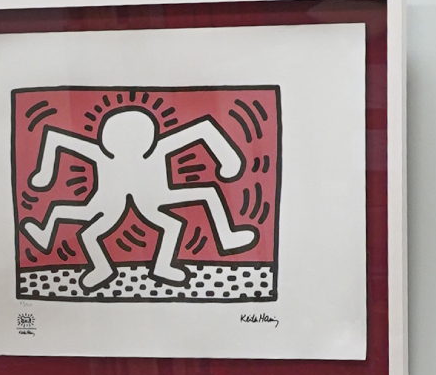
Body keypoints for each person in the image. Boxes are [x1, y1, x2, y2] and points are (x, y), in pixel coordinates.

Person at [21, 105, 258, 293]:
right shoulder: (107, 155)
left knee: (197, 202)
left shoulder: (153, 149)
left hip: (151, 199)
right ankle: (92, 262)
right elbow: (57, 138)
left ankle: (224, 239)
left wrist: (228, 159)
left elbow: (202, 129)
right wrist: (44, 175)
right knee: (79, 224)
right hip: (108, 203)